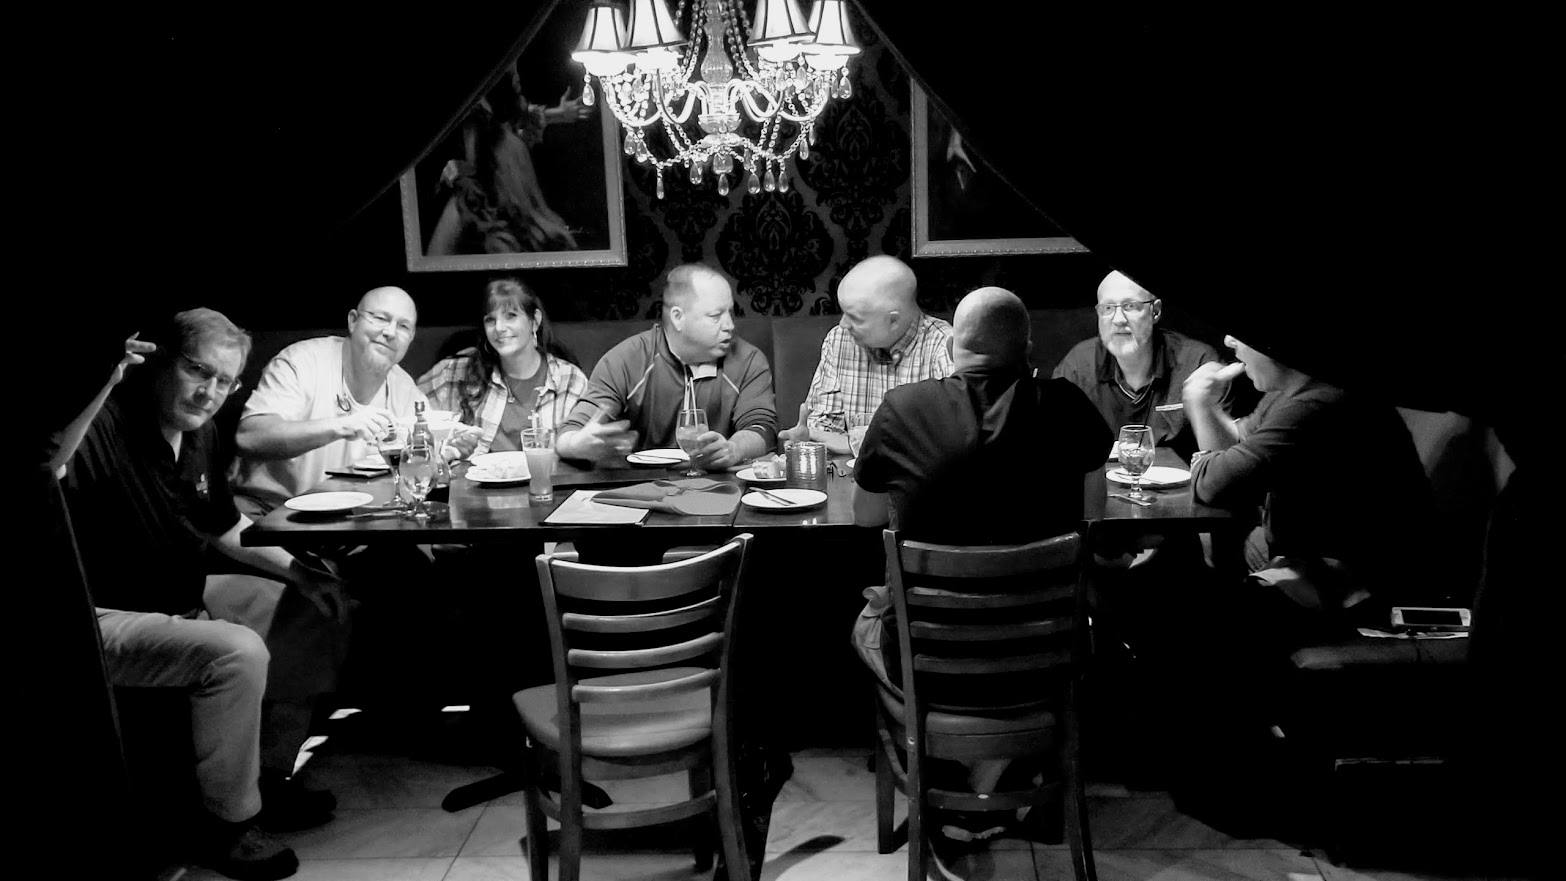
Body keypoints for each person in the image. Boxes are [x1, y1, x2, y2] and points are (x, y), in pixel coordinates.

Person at [56, 312, 358, 880]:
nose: (210, 392)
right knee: (235, 653)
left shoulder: (200, 433)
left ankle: (268, 776)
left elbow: (221, 524)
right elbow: (49, 464)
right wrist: (101, 380)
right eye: (198, 371)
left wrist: (300, 574)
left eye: (225, 381)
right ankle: (229, 826)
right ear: (160, 362)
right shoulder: (108, 420)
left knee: (316, 608)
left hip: (180, 597)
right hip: (101, 616)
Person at [850, 287, 1110, 856]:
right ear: (1028, 347)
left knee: (868, 625)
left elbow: (866, 515)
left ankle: (945, 764)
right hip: (1046, 661)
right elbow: (1093, 517)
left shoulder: (902, 407)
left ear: (953, 346)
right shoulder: (1069, 405)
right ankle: (1004, 767)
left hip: (934, 666)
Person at [1183, 333, 1435, 638]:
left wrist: (1199, 418)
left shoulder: (1319, 403)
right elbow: (1238, 448)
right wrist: (1205, 406)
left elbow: (1214, 484)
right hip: (1304, 558)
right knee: (1183, 559)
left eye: (1241, 334)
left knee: (1185, 604)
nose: (1228, 341)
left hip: (1359, 587)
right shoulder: (1292, 392)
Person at [234, 285, 475, 515]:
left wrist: (448, 448)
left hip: (347, 518)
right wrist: (341, 425)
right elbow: (250, 437)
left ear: (411, 337)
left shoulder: (404, 389)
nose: (390, 332)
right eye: (380, 318)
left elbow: (417, 466)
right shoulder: (302, 361)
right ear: (352, 321)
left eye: (403, 326)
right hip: (271, 512)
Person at [556, 263, 777, 469]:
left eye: (730, 312)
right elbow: (570, 432)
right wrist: (578, 444)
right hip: (640, 484)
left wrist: (734, 449)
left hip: (720, 483)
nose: (729, 325)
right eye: (715, 316)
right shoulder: (626, 360)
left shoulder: (748, 360)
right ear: (678, 317)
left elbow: (762, 428)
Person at [779, 255, 953, 454]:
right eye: (843, 312)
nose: (843, 324)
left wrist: (854, 443)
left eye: (855, 318)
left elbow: (948, 442)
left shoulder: (944, 347)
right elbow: (823, 426)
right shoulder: (840, 339)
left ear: (893, 321)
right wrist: (811, 436)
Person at [1053, 269, 1227, 458]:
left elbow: (1225, 460)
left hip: (1183, 477)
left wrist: (1203, 407)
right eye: (1108, 308)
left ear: (1155, 311)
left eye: (1130, 306)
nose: (1118, 320)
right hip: (1104, 477)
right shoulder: (1077, 366)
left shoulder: (1197, 362)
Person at [426, 67, 592, 256]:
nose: (516, 77)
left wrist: (556, 114)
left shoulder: (509, 145)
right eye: (511, 74)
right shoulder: (487, 142)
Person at [416, 278, 588, 453]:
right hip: (476, 471)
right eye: (490, 320)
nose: (499, 327)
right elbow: (410, 412)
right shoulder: (456, 372)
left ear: (535, 321)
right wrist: (446, 446)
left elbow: (586, 451)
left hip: (547, 471)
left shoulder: (570, 380)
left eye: (511, 316)